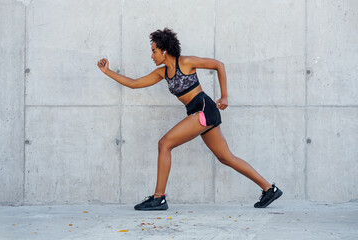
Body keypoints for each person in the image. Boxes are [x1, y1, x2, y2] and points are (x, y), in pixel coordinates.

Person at [97, 28, 282, 210]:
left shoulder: (185, 62)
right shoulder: (162, 73)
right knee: (226, 157)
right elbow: (134, 84)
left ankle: (158, 198)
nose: (152, 56)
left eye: (154, 51)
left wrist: (224, 96)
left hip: (203, 109)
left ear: (164, 50)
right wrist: (107, 71)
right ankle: (269, 189)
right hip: (198, 112)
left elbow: (219, 65)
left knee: (165, 144)